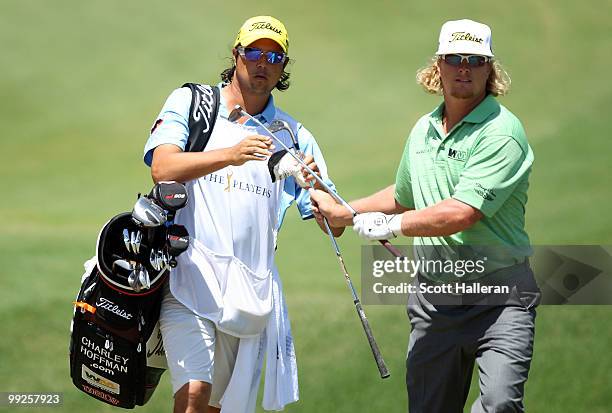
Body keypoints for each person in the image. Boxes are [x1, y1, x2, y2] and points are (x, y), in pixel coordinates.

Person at [310, 19, 540, 413]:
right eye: (454, 58)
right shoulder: (424, 131)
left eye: (475, 60)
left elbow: (461, 213)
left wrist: (389, 226)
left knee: (500, 405)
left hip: (500, 300)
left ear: (490, 69)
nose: (463, 68)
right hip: (435, 302)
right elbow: (403, 195)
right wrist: (343, 211)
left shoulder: (502, 132)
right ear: (438, 66)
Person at [143, 15, 340, 413]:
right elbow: (163, 168)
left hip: (248, 293)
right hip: (188, 277)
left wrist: (326, 199)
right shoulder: (194, 103)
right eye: (254, 51)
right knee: (194, 396)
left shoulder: (292, 134)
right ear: (236, 54)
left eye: (274, 55)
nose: (262, 62)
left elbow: (331, 218)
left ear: (284, 66)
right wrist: (230, 156)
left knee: (216, 407)